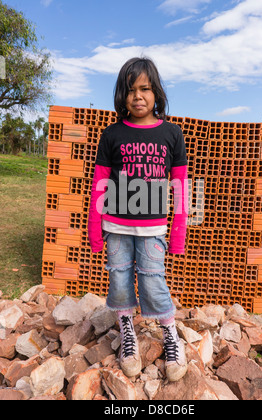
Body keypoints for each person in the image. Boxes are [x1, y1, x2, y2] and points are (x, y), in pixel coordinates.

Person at [88, 57, 188, 382]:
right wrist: (94, 226)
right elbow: (100, 183)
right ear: (122, 95)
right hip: (115, 227)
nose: (138, 96)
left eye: (145, 88)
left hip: (153, 228)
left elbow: (181, 187)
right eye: (130, 90)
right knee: (118, 281)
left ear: (156, 92)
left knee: (152, 280)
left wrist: (179, 231)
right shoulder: (112, 134)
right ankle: (126, 328)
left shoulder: (171, 134)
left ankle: (170, 333)